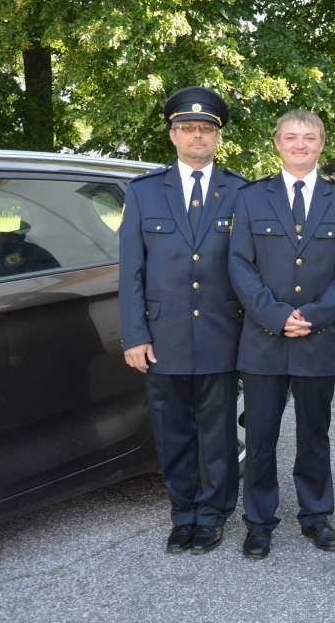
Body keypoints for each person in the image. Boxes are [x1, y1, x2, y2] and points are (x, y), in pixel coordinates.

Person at [228, 110, 335, 560]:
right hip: (263, 339)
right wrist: (275, 315)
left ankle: (316, 516)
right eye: (291, 137)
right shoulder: (250, 198)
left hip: (316, 338)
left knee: (314, 434)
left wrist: (314, 316)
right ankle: (258, 522)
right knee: (260, 436)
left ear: (321, 143)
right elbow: (240, 265)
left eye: (309, 137)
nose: (300, 144)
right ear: (277, 143)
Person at [119, 86, 246, 555]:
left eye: (205, 129)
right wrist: (134, 334)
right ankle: (183, 513)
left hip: (221, 332)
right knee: (172, 431)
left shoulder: (241, 192)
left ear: (217, 136)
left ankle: (212, 515)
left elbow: (251, 267)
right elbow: (130, 270)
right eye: (187, 128)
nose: (197, 136)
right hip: (163, 335)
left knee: (218, 432)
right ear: (173, 135)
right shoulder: (145, 192)